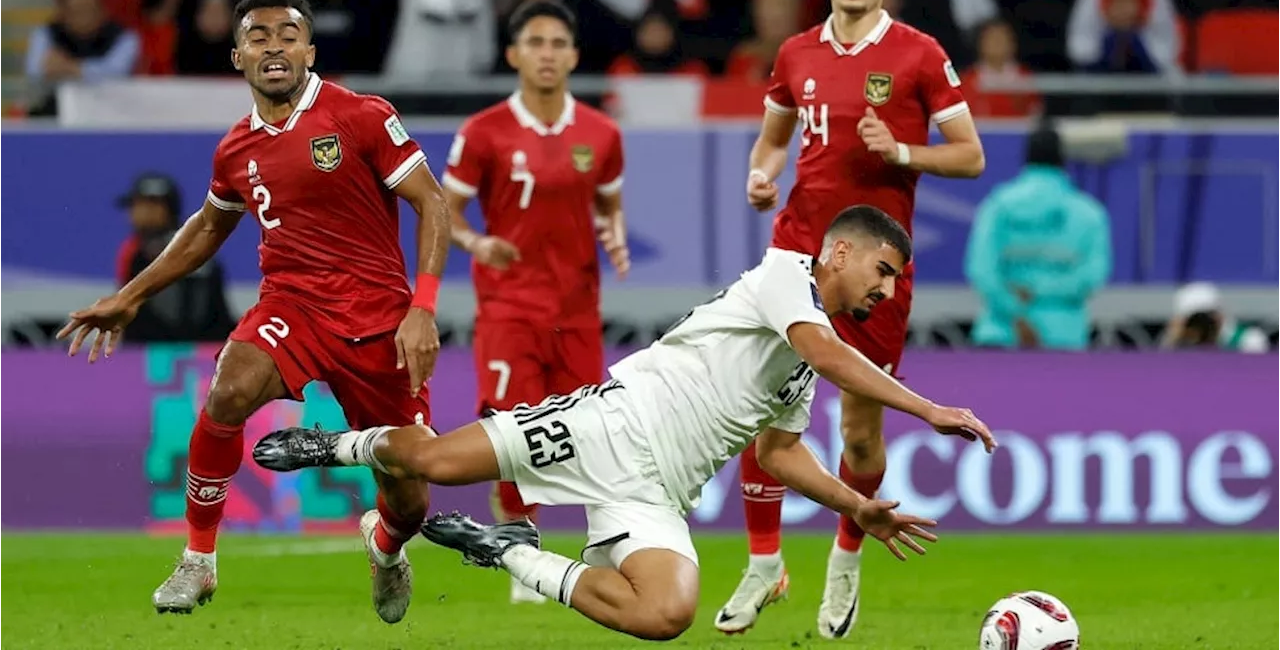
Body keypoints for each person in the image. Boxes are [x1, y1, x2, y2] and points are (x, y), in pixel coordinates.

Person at [253, 205, 998, 642]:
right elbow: (828, 354)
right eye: (885, 271)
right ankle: (334, 443)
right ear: (841, 251)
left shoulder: (809, 359)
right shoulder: (785, 277)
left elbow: (779, 452)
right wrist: (928, 408)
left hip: (655, 493)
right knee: (438, 463)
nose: (889, 288)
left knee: (668, 610)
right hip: (611, 424)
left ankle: (503, 550)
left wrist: (853, 502)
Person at [56, 0, 451, 624]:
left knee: (409, 497)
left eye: (287, 35)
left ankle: (384, 547)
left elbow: (432, 203)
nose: (274, 46)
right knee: (228, 390)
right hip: (294, 306)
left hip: (379, 318)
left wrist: (423, 308)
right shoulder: (236, 149)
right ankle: (198, 559)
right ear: (238, 57)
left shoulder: (361, 116)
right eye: (258, 37)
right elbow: (209, 228)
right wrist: (130, 296)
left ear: (309, 51)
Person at [728, 0, 985, 638]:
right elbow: (775, 137)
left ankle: (846, 554)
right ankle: (763, 562)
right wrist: (761, 172)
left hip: (873, 270)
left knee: (861, 432)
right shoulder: (796, 53)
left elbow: (971, 154)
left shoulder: (919, 54)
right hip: (798, 255)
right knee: (764, 408)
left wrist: (901, 151)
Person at [439, 0, 630, 604]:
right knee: (511, 429)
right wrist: (475, 241)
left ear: (574, 56)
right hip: (509, 308)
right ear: (514, 54)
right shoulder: (484, 131)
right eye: (536, 43)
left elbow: (608, 204)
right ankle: (524, 557)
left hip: (576, 308)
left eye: (558, 44)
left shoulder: (601, 134)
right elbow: (447, 211)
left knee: (590, 431)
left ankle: (608, 552)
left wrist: (613, 233)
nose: (547, 54)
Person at [965, 123, 1112, 350]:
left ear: (1026, 159)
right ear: (1063, 161)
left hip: (1001, 334)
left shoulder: (998, 206)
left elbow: (981, 269)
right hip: (1063, 336)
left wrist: (1016, 313)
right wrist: (1042, 289)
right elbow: (1092, 275)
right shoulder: (1090, 213)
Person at [115, 172, 236, 342]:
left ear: (159, 208)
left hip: (154, 354)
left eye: (138, 205)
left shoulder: (140, 254)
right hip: (204, 352)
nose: (133, 214)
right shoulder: (200, 245)